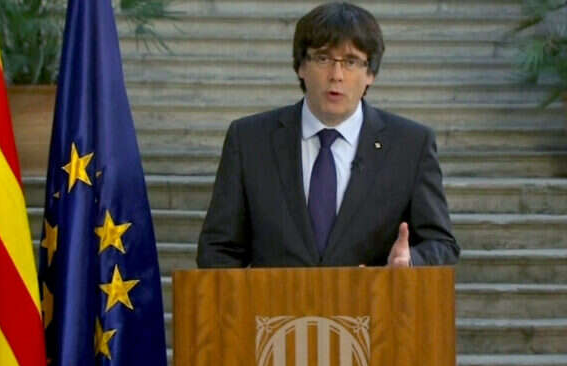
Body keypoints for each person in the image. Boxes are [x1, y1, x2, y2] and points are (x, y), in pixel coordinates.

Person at [197, 2, 460, 268]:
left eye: (351, 62)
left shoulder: (410, 145)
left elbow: (441, 244)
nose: (336, 75)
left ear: (370, 73)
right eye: (323, 59)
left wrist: (410, 262)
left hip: (370, 296)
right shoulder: (249, 140)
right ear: (301, 66)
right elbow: (219, 249)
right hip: (275, 296)